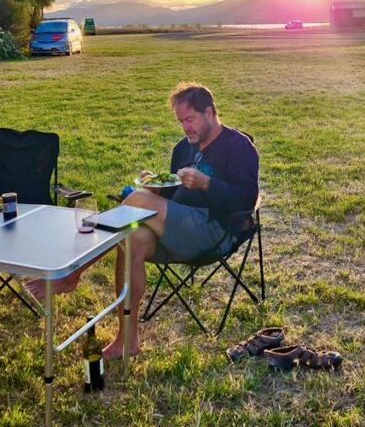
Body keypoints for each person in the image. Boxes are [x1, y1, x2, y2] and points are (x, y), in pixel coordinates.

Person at [26, 82, 259, 358]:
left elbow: (247, 200)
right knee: (131, 238)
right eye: (181, 122)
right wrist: (160, 189)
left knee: (137, 199)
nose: (185, 128)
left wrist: (208, 184)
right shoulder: (182, 148)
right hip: (181, 230)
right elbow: (177, 191)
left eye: (190, 120)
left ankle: (72, 274)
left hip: (215, 230)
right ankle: (127, 339)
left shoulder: (239, 146)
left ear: (209, 113)